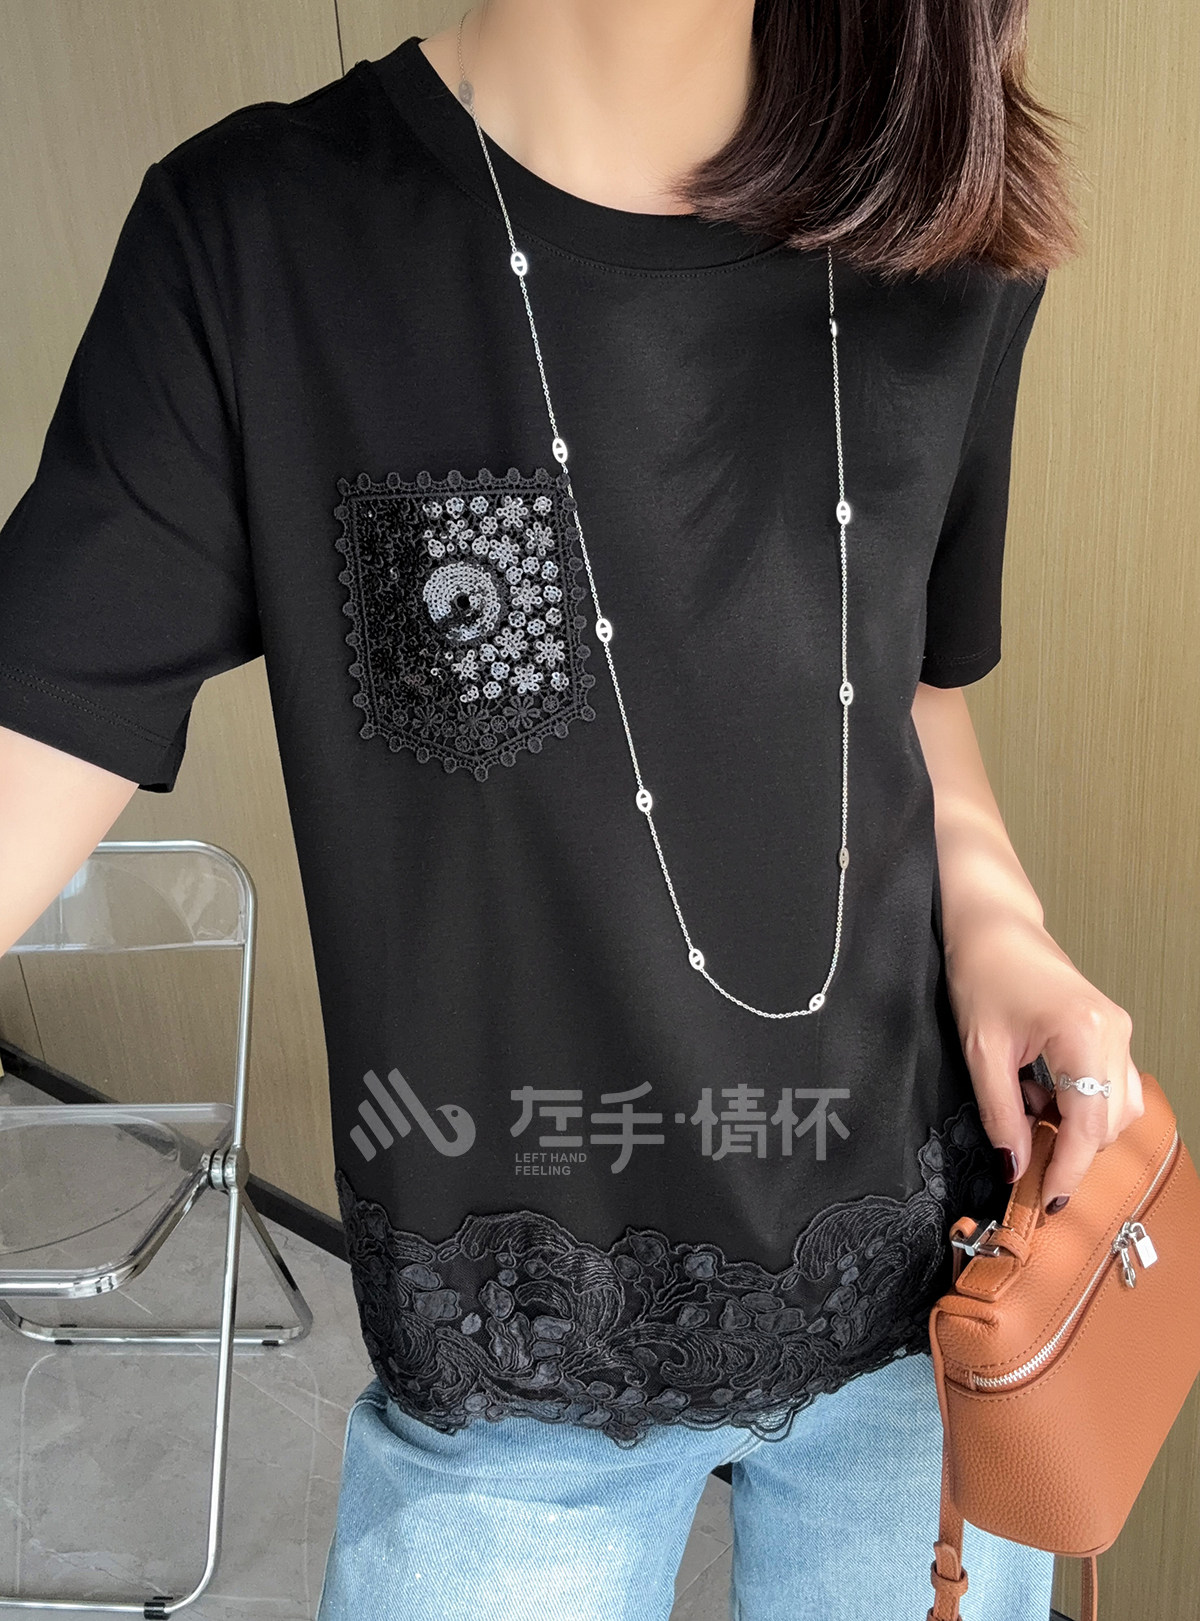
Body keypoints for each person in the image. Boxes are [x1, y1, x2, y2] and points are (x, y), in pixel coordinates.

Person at [0, 2, 1144, 1618]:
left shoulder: (942, 230)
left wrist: (1007, 927)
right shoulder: (264, 245)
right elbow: (33, 727)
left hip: (929, 1283)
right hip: (514, 1360)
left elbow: (900, 685)